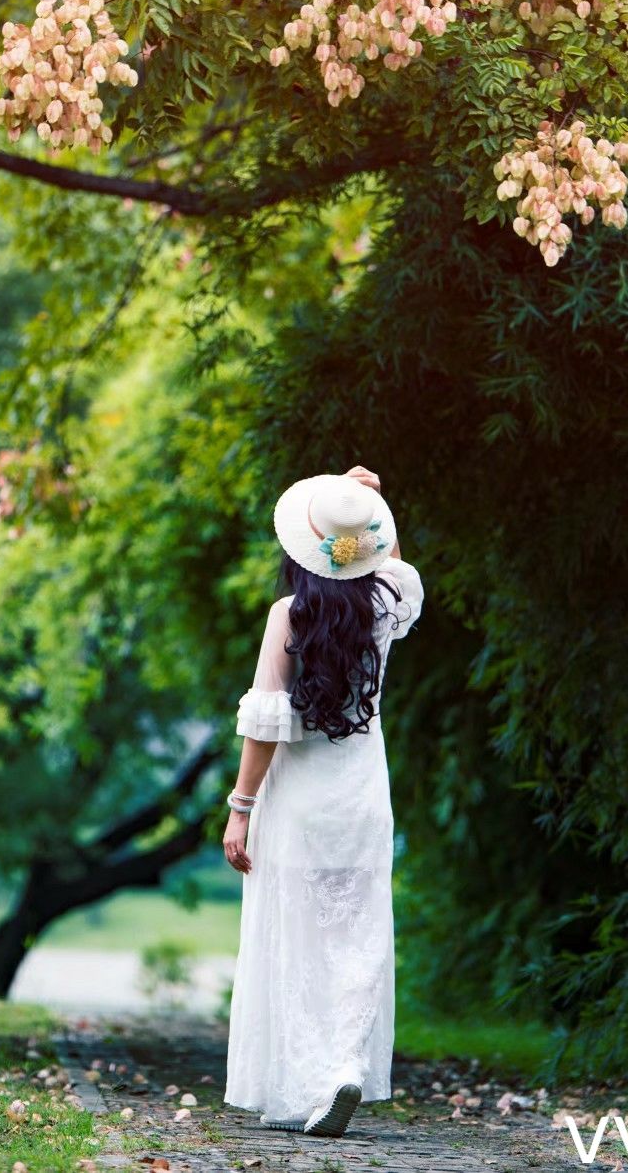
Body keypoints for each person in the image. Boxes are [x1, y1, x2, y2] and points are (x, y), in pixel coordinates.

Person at [222, 464, 424, 1137]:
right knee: (357, 937)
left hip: (299, 808)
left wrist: (240, 808)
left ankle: (310, 1081)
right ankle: (345, 1063)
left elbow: (265, 723)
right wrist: (366, 503)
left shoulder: (289, 617)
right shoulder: (392, 602)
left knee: (299, 938)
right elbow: (389, 557)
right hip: (362, 798)